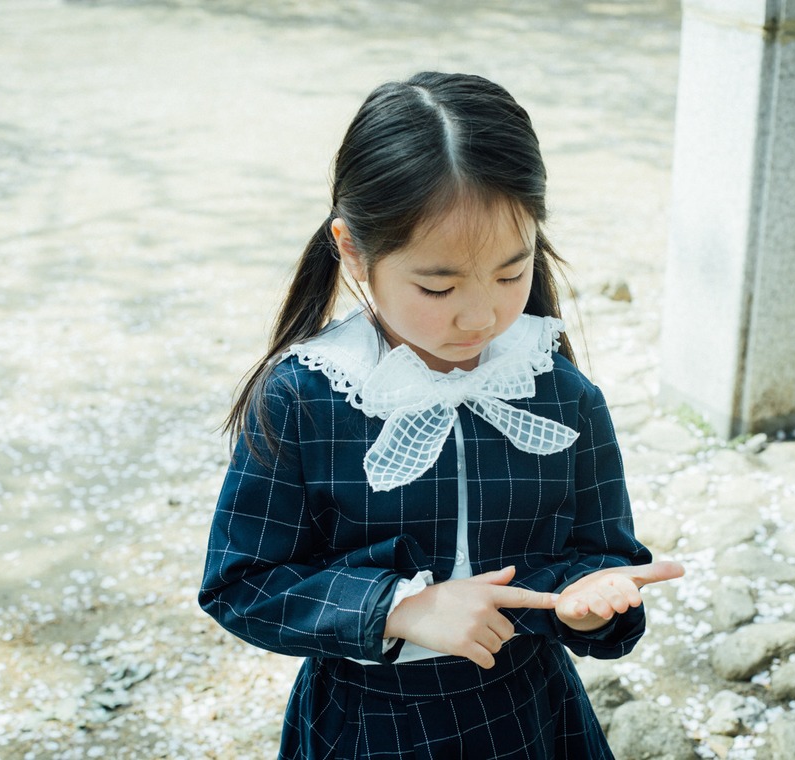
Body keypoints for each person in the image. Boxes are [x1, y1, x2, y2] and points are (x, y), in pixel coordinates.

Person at [199, 71, 684, 760]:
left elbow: (601, 555)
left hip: (529, 711)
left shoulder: (560, 391)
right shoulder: (306, 398)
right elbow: (241, 584)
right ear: (353, 250)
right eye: (439, 284)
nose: (481, 314)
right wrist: (397, 608)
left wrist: (591, 598)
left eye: (512, 273)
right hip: (369, 724)